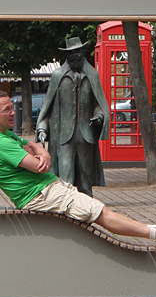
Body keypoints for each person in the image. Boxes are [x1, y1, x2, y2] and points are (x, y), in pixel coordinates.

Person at [0, 89, 156, 247]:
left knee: (97, 210)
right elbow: (39, 166)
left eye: (11, 107)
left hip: (46, 190)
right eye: (7, 109)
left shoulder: (5, 135)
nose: (13, 113)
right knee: (100, 212)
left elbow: (31, 146)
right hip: (40, 195)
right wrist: (44, 153)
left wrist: (37, 148)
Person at [35, 37, 109, 197]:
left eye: (78, 52)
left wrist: (99, 115)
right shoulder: (58, 76)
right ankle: (65, 208)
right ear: (67, 55)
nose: (75, 55)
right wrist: (42, 128)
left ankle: (88, 209)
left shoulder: (92, 75)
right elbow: (48, 106)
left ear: (82, 52)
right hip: (63, 137)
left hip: (86, 136)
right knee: (65, 177)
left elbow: (99, 103)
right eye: (72, 53)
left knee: (85, 179)